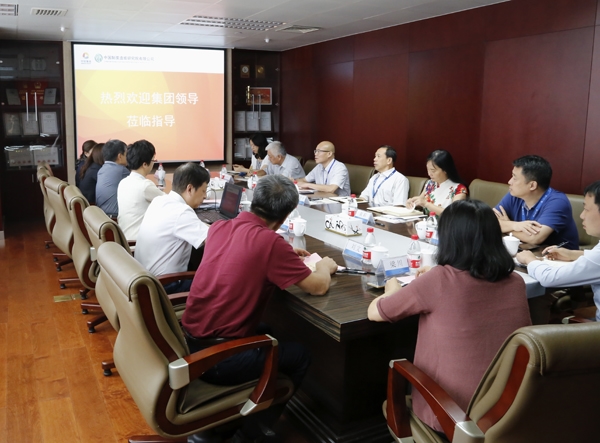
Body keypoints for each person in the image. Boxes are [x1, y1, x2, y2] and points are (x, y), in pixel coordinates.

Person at [182, 175, 338, 442]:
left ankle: (244, 411)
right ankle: (249, 434)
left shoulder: (219, 226)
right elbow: (318, 287)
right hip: (218, 360)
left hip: (190, 343)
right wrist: (324, 266)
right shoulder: (270, 244)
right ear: (286, 216)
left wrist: (284, 253)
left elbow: (241, 254)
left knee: (268, 330)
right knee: (300, 356)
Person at [368, 199, 531, 434]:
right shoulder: (516, 282)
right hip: (505, 413)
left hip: (450, 415)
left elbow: (376, 313)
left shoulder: (440, 280)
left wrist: (391, 289)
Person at [517, 181, 600, 321]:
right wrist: (572, 254)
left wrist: (530, 260)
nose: (582, 216)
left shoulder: (557, 201)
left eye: (586, 209)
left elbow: (549, 278)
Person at [135, 163, 209, 294]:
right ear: (190, 189)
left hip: (145, 281)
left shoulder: (159, 201)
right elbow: (213, 240)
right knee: (219, 283)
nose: (205, 196)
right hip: (166, 286)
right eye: (203, 190)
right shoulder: (181, 211)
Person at [493, 155, 579, 249]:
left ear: (532, 185)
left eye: (515, 178)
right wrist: (514, 225)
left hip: (555, 256)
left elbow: (535, 238)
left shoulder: (558, 202)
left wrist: (506, 226)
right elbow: (488, 222)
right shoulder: (514, 195)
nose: (509, 181)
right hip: (525, 251)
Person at [117, 140, 164, 240]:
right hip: (138, 241)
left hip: (125, 238)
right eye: (153, 160)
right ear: (145, 164)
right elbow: (170, 202)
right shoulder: (145, 186)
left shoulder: (123, 182)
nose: (153, 163)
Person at [405, 149, 467, 214]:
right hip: (426, 220)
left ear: (445, 170)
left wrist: (426, 204)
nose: (429, 174)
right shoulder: (430, 184)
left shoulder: (459, 189)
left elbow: (453, 214)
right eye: (428, 169)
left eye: (433, 170)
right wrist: (413, 203)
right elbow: (421, 201)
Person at [95, 139, 130, 217]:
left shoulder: (102, 169)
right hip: (114, 216)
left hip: (102, 214)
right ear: (120, 156)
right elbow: (138, 187)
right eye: (126, 154)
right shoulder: (121, 170)